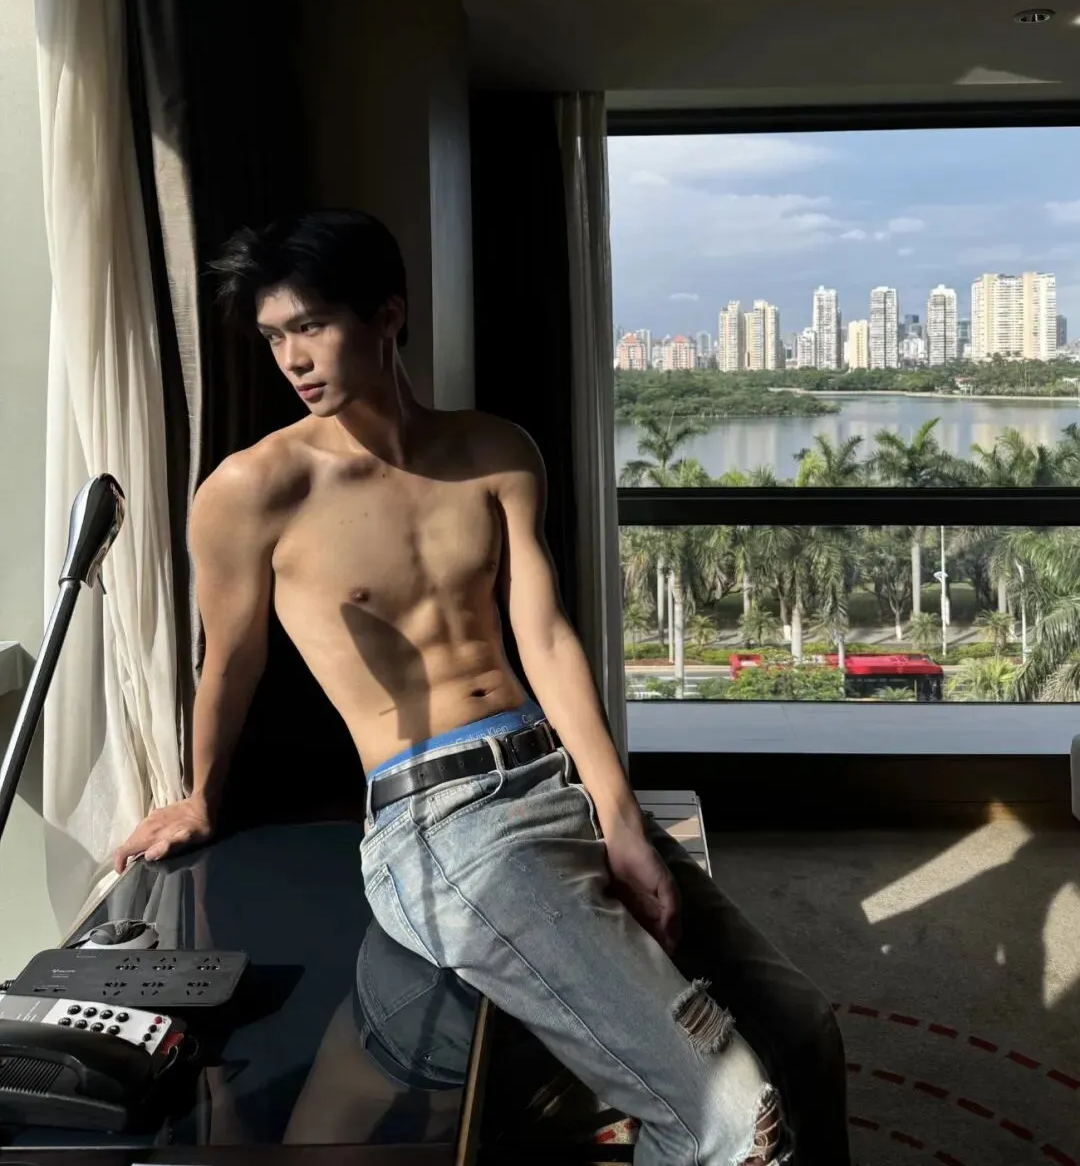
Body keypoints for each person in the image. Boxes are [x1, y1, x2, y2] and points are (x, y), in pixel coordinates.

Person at [114, 210, 849, 1165]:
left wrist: (620, 817)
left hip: (549, 778)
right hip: (441, 823)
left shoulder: (495, 452)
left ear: (388, 315)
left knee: (803, 1031)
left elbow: (544, 637)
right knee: (732, 1120)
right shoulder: (253, 491)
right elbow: (231, 661)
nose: (292, 358)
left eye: (313, 326)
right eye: (274, 336)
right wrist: (201, 796)